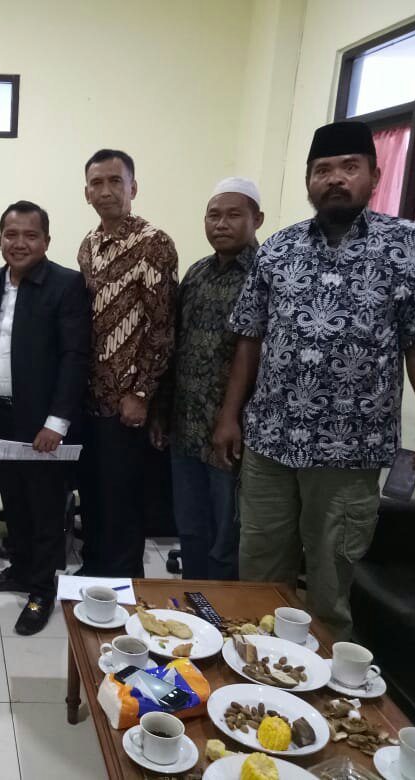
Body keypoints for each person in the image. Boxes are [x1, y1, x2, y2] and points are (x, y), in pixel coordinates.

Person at [214, 121, 415, 639]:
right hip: (270, 443)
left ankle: (323, 679)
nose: (335, 179)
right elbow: (250, 339)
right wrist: (230, 416)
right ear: (309, 180)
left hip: (350, 451)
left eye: (349, 168)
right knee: (258, 574)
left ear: (375, 175)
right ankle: (255, 670)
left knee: (330, 584)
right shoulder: (278, 250)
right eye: (323, 170)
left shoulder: (410, 247)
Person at [0, 201, 91, 635]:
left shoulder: (66, 285)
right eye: (11, 234)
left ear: (46, 241)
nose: (19, 243)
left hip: (42, 422)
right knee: (14, 499)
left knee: (45, 508)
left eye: (30, 235)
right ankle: (19, 570)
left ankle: (41, 589)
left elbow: (75, 356)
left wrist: (57, 422)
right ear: (0, 238)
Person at [150, 177, 264, 580]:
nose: (221, 224)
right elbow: (175, 345)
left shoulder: (267, 275)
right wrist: (162, 410)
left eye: (233, 215)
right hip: (186, 427)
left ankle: (223, 609)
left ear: (256, 219)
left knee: (226, 537)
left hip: (235, 434)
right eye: (214, 215)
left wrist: (231, 419)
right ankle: (193, 603)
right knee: (191, 528)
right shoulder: (197, 273)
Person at [76, 149, 178, 577]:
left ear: (133, 187)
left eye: (115, 181)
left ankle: (122, 580)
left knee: (123, 497)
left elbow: (163, 327)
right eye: (97, 183)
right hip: (89, 395)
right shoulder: (89, 245)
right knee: (93, 491)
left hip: (127, 400)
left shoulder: (154, 244)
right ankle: (93, 570)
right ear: (86, 192)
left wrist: (141, 393)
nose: (106, 191)